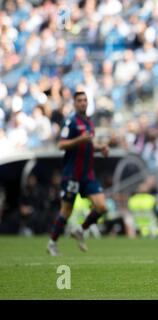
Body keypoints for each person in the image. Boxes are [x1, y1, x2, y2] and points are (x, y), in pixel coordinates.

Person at [47, 92, 109, 256]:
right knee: (66, 211)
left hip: (88, 175)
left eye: (85, 100)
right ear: (74, 103)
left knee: (102, 206)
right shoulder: (70, 121)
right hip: (72, 175)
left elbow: (87, 145)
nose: (83, 103)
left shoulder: (89, 122)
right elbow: (61, 145)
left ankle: (81, 229)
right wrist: (78, 140)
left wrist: (99, 148)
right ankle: (52, 243)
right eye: (79, 101)